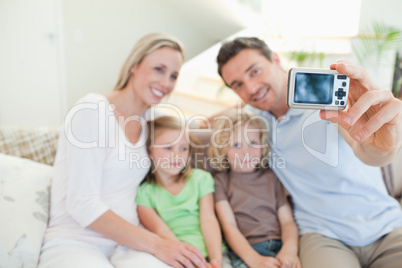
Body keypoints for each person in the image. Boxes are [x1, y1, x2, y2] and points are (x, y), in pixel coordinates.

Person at [215, 37, 402, 268]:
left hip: (387, 226)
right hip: (321, 235)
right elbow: (214, 125)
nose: (251, 88)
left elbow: (368, 152)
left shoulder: (326, 101)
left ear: (275, 59)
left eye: (254, 71)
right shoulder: (253, 124)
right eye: (237, 85)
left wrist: (384, 147)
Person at [38, 33, 207, 268]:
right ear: (134, 66)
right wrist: (159, 245)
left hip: (129, 245)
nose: (166, 83)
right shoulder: (92, 110)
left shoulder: (153, 119)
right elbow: (82, 203)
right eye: (158, 69)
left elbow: (197, 125)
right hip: (76, 240)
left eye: (173, 75)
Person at [127, 115, 231, 268]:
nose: (177, 155)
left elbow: (208, 220)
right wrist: (190, 262)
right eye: (168, 148)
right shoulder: (145, 193)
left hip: (214, 254)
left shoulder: (200, 179)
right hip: (177, 258)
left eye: (183, 148)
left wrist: (216, 261)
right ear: (149, 151)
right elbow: (161, 231)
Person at [208, 108, 300, 268]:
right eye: (236, 145)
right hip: (246, 253)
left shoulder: (272, 177)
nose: (246, 152)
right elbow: (229, 226)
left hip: (280, 248)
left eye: (253, 143)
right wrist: (254, 259)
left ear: (262, 144)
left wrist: (289, 250)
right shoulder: (220, 181)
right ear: (223, 149)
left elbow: (287, 222)